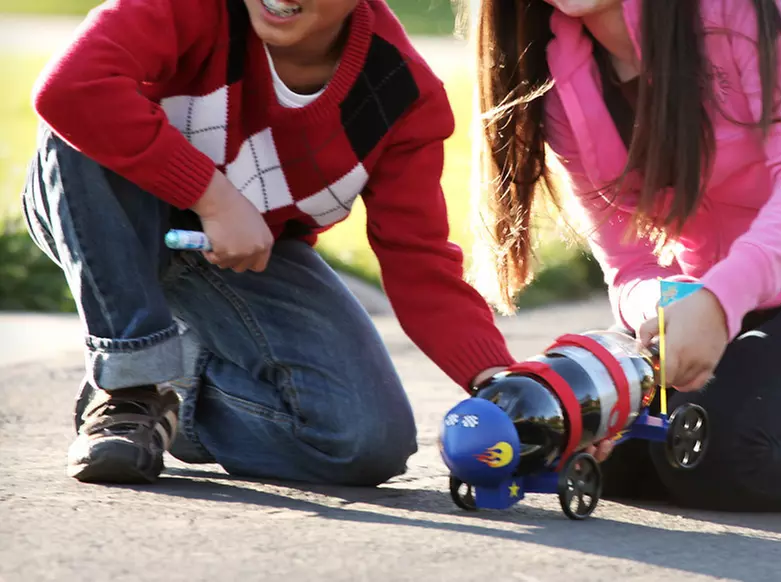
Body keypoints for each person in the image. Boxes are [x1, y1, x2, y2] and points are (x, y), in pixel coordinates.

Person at [466, 0, 781, 511]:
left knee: (712, 452)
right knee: (591, 444)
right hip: (703, 305)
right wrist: (662, 313)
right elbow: (631, 263)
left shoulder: (746, 9)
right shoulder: (559, 73)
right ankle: (774, 407)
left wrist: (720, 299)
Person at [21, 0, 516, 486]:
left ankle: (174, 386)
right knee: (85, 117)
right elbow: (72, 87)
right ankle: (129, 391)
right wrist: (213, 198)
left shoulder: (403, 95)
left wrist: (502, 388)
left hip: (246, 253)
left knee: (363, 442)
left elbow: (419, 262)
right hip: (109, 216)